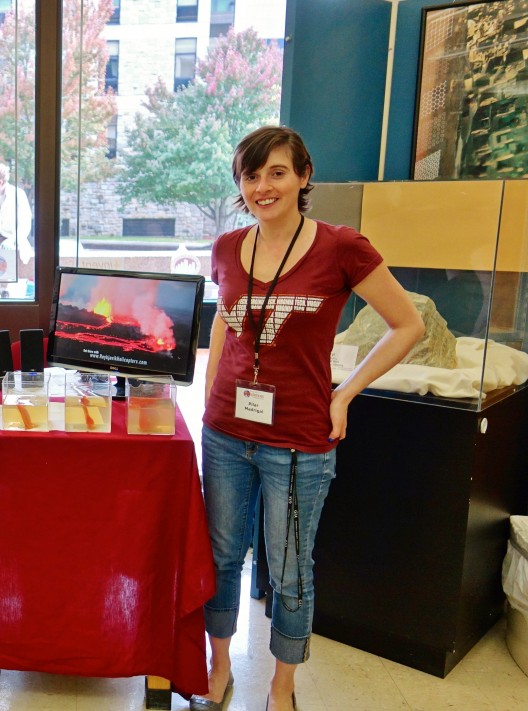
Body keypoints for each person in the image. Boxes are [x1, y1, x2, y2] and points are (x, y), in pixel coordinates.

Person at [194, 126, 424, 711]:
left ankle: (282, 686)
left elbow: (408, 325)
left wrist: (344, 394)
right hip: (225, 433)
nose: (262, 186)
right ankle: (218, 666)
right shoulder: (226, 248)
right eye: (250, 175)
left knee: (291, 571)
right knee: (221, 555)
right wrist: (210, 395)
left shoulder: (341, 247)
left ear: (302, 177)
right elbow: (225, 321)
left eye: (276, 172)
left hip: (299, 440)